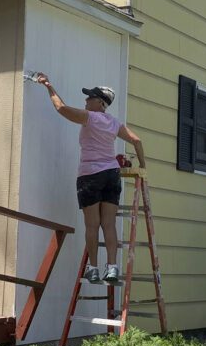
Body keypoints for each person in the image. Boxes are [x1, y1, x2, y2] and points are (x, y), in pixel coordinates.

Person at [34, 74, 145, 284]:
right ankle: (112, 268)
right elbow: (137, 141)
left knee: (92, 226)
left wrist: (49, 87)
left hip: (90, 176)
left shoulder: (90, 117)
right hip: (112, 175)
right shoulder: (114, 122)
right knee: (109, 225)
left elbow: (62, 109)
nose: (86, 101)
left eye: (90, 98)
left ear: (100, 103)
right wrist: (143, 167)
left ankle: (93, 269)